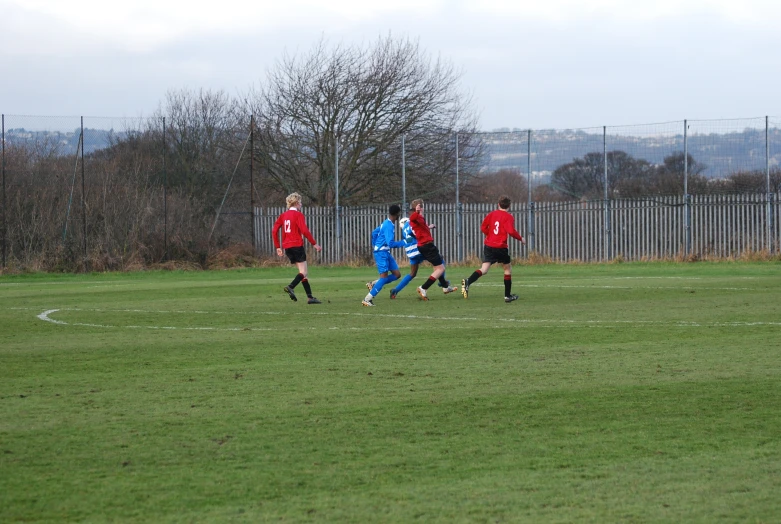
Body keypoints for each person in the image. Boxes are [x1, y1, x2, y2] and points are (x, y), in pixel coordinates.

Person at [371, 216, 457, 298]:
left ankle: (395, 290)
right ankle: (444, 285)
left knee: (412, 274)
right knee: (439, 261)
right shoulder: (411, 223)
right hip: (419, 250)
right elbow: (415, 231)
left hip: (411, 253)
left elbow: (409, 238)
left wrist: (428, 227)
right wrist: (428, 227)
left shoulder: (403, 230)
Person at [461, 195, 525, 303]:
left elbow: (483, 227)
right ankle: (507, 296)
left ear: (498, 204)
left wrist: (489, 235)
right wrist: (521, 238)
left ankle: (468, 281)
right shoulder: (508, 217)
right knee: (507, 269)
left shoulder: (491, 214)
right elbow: (511, 231)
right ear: (509, 206)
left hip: (489, 245)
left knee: (484, 269)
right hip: (500, 247)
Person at [272, 192, 322, 304]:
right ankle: (291, 286)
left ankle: (310, 297)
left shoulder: (283, 215)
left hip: (287, 247)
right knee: (304, 272)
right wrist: (314, 243)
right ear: (296, 203)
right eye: (300, 202)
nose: (301, 204)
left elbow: (274, 230)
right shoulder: (298, 215)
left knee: (303, 272)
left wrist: (277, 247)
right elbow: (304, 230)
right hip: (297, 245)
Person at [362, 204, 408, 306]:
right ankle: (367, 299)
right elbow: (391, 243)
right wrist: (405, 242)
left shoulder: (387, 223)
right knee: (383, 278)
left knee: (397, 274)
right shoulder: (388, 226)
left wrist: (375, 244)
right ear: (397, 214)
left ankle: (373, 284)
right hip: (381, 253)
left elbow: (374, 233)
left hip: (384, 252)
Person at [407, 199, 451, 301]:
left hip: (425, 245)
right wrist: (417, 211)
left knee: (438, 267)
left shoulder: (420, 218)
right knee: (440, 269)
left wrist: (428, 227)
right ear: (419, 207)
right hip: (427, 246)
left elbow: (420, 228)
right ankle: (423, 288)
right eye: (422, 206)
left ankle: (445, 287)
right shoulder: (416, 216)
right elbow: (412, 219)